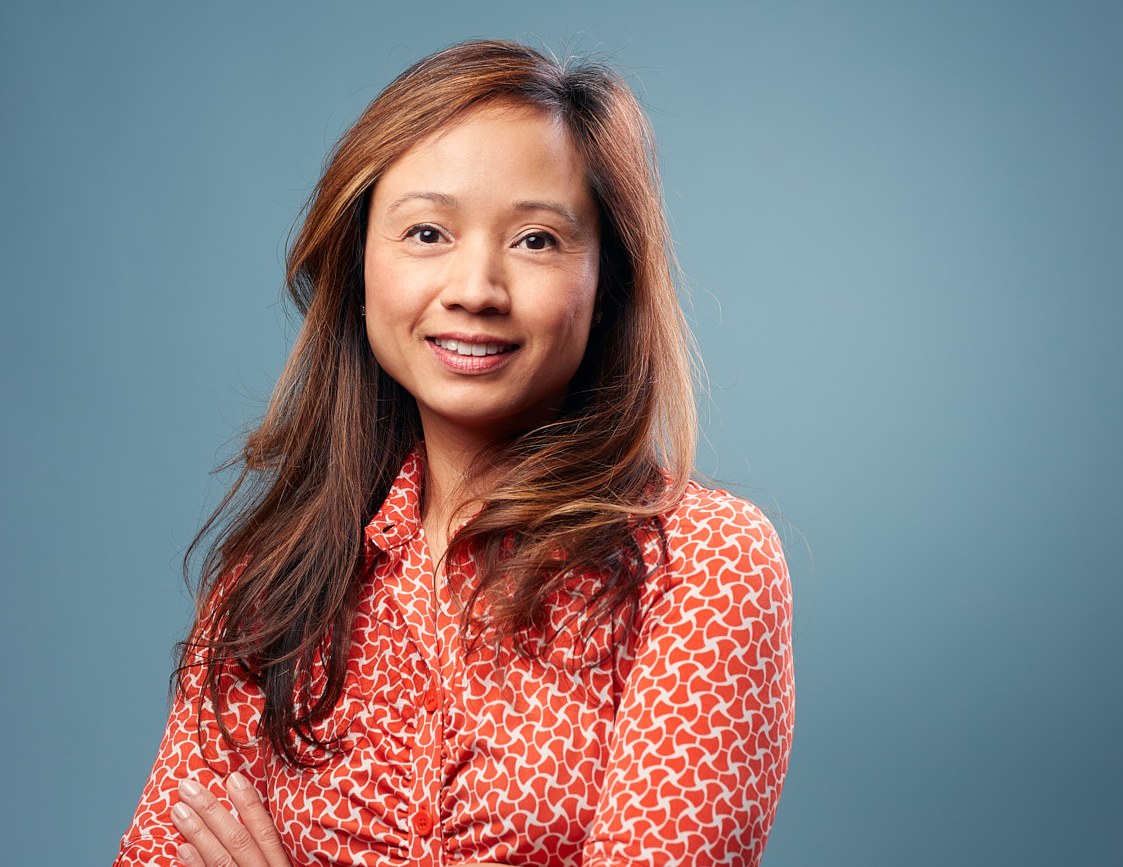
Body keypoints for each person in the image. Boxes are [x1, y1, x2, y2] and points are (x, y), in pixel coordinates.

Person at [116, 39, 794, 867]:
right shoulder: (274, 577)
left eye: (537, 240)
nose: (476, 287)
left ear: (605, 277)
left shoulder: (706, 566)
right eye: (428, 231)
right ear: (359, 260)